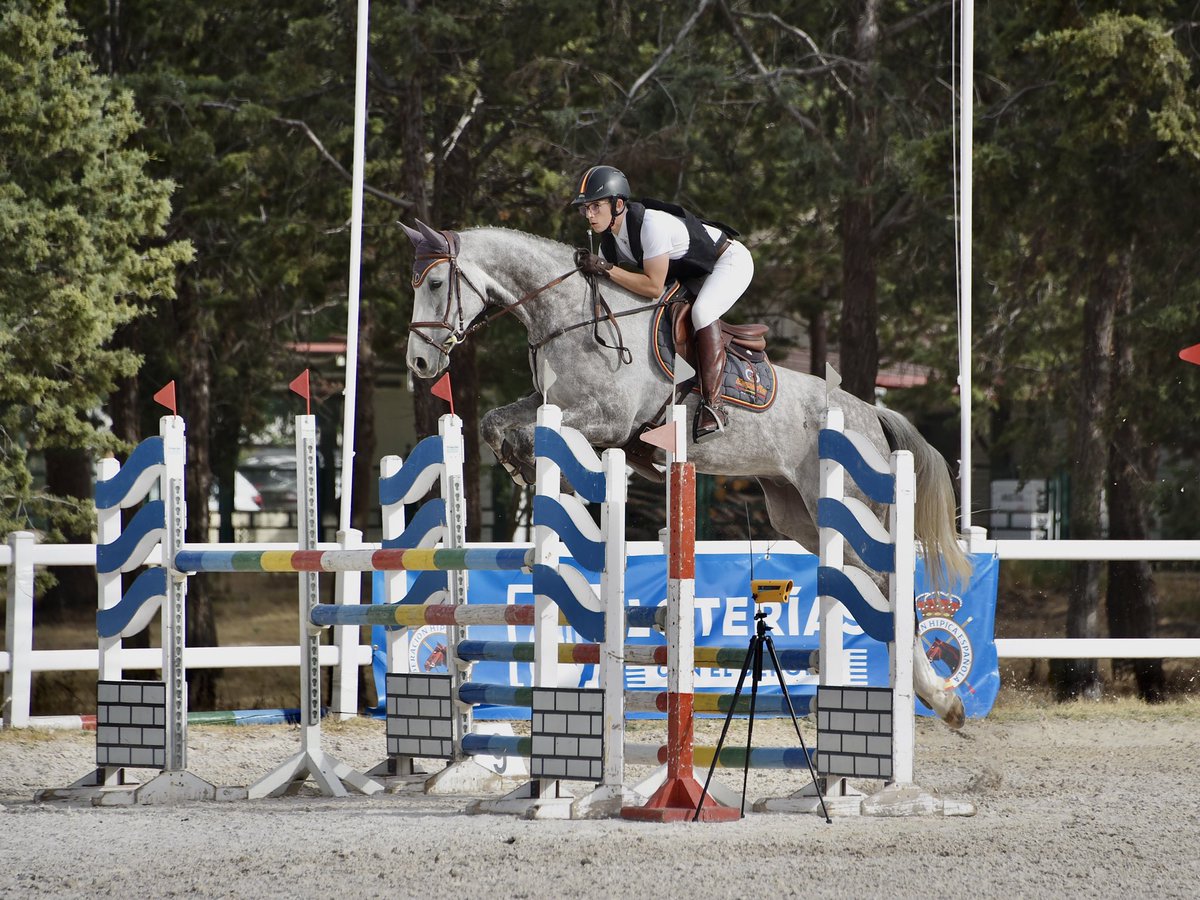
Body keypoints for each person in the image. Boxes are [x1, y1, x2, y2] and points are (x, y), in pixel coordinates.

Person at [570, 164, 754, 443]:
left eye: (596, 206)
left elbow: (652, 286)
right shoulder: (610, 241)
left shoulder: (651, 225)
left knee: (703, 312)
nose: (589, 215)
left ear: (618, 204)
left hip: (728, 261)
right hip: (692, 273)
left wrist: (606, 268)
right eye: (586, 208)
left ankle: (713, 407)